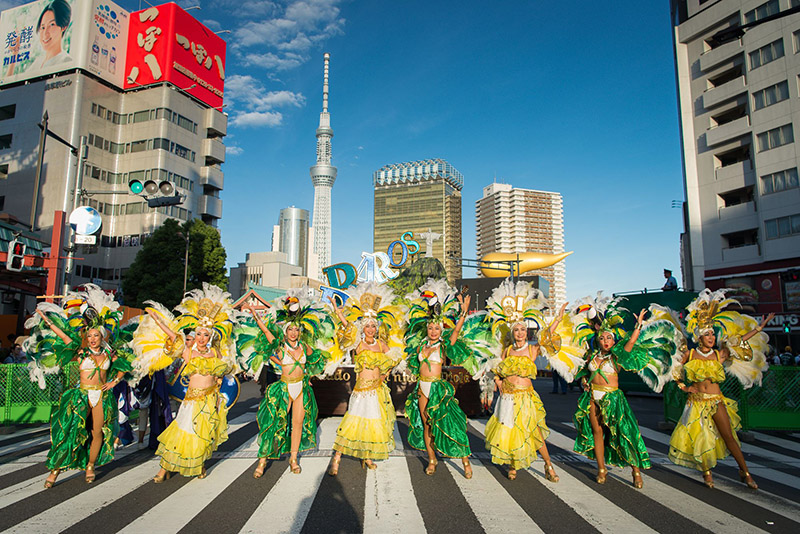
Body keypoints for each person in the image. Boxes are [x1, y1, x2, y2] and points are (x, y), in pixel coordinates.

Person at [560, 295, 683, 489]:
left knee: (624, 433)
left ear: (613, 339)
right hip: (593, 397)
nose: (606, 340)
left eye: (609, 338)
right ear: (598, 340)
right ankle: (601, 469)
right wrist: (584, 381)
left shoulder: (616, 357)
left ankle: (635, 470)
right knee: (597, 431)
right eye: (602, 338)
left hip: (613, 398)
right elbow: (584, 372)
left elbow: (631, 344)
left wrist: (638, 326)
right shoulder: (592, 356)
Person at [23, 285, 134, 488]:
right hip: (81, 395)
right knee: (70, 432)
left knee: (97, 433)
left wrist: (115, 381)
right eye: (89, 336)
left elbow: (124, 367)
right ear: (86, 337)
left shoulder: (109, 354)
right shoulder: (81, 352)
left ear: (102, 337)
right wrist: (46, 320)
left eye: (96, 336)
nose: (92, 339)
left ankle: (90, 466)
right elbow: (63, 336)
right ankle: (55, 470)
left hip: (101, 396)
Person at [668, 289, 773, 489]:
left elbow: (740, 341)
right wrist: (684, 387)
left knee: (729, 436)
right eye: (707, 335)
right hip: (696, 403)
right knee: (701, 440)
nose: (711, 338)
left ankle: (744, 471)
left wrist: (759, 328)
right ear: (699, 337)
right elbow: (675, 371)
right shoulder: (689, 355)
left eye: (712, 335)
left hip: (716, 401)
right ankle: (707, 473)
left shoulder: (719, 355)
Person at [132, 284, 237, 482]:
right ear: (194, 335)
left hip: (209, 400)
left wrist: (217, 396)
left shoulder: (216, 353)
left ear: (211, 336)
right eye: (199, 334)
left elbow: (222, 373)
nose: (202, 338)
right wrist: (157, 320)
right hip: (192, 400)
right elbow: (173, 336)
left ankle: (199, 464)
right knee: (181, 431)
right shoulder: (188, 352)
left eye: (206, 335)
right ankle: (164, 468)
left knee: (203, 434)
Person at [237, 289, 334, 477]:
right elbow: (265, 331)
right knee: (275, 423)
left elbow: (316, 364)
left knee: (298, 424)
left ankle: (293, 458)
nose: (293, 332)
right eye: (290, 329)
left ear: (300, 331)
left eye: (297, 329)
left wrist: (309, 378)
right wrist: (254, 314)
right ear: (286, 331)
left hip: (301, 389)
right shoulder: (281, 347)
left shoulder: (305, 347)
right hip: (284, 388)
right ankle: (263, 460)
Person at [483, 281, 575, 481]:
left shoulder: (532, 349)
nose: (519, 333)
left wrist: (557, 319)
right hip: (507, 397)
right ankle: (513, 465)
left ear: (527, 332)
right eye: (516, 330)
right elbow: (497, 369)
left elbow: (548, 337)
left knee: (534, 432)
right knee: (509, 431)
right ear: (512, 333)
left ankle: (548, 465)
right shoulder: (507, 350)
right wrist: (498, 381)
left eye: (522, 330)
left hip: (525, 398)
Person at [403, 279, 487, 479]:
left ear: (441, 330)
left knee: (451, 424)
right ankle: (432, 460)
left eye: (437, 329)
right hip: (422, 388)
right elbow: (415, 366)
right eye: (431, 328)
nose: (433, 331)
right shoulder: (420, 345)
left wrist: (464, 311)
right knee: (427, 425)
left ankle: (465, 460)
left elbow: (456, 332)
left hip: (438, 389)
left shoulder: (443, 345)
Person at [327, 282, 405, 474]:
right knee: (351, 423)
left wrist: (386, 373)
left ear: (377, 328)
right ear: (363, 328)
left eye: (373, 326)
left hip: (376, 391)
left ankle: (367, 457)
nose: (370, 329)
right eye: (367, 326)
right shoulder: (358, 343)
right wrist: (340, 315)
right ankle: (336, 459)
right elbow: (348, 329)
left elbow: (395, 357)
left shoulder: (381, 344)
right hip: (361, 391)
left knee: (372, 424)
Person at [6, 0, 72, 77]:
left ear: (64, 27)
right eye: (43, 27)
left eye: (52, 24)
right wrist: (14, 54)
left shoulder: (65, 60)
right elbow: (11, 86)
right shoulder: (38, 61)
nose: (45, 33)